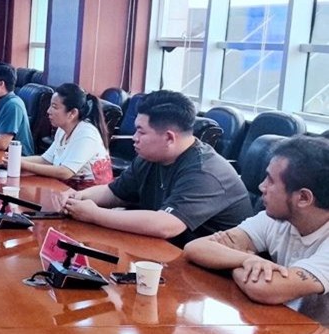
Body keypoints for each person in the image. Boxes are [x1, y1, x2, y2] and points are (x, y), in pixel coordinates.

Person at [61, 89, 252, 247]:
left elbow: (166, 226)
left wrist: (94, 215)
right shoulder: (149, 157)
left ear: (169, 137)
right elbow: (114, 193)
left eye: (141, 132)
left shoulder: (205, 172)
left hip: (213, 271)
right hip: (167, 251)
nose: (134, 137)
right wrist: (78, 197)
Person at [184, 136, 328, 311]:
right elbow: (196, 248)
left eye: (271, 180)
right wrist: (248, 259)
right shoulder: (275, 219)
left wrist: (229, 260)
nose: (261, 187)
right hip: (281, 319)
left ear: (303, 198)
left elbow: (264, 289)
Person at [20, 83, 112, 189]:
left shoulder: (87, 133)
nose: (48, 111)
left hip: (88, 194)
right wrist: (15, 159)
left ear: (72, 113)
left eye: (54, 107)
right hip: (64, 188)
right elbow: (46, 160)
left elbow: (65, 172)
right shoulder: (62, 130)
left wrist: (23, 164)